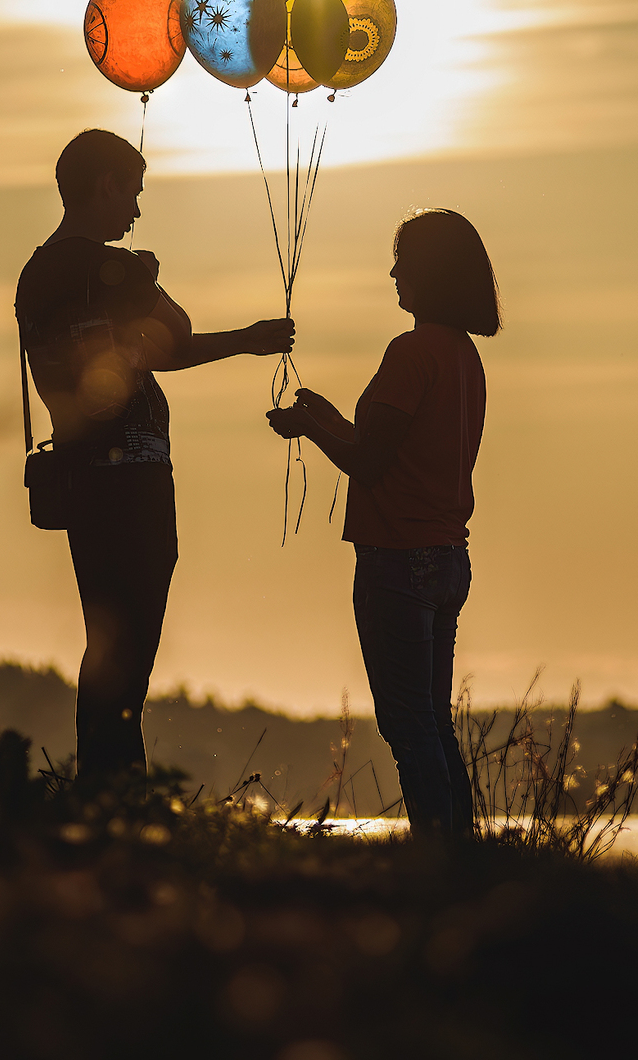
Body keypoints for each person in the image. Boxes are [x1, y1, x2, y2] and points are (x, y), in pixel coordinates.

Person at [17, 129, 294, 781]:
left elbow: (144, 353)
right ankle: (114, 791)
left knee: (109, 644)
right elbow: (179, 334)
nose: (136, 211)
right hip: (132, 481)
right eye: (133, 193)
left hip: (84, 481)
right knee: (131, 650)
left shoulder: (38, 273)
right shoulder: (104, 267)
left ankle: (105, 785)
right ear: (106, 184)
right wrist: (155, 284)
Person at [266, 209, 499, 836]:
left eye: (403, 261)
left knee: (408, 723)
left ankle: (437, 854)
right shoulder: (462, 356)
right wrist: (328, 419)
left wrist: (313, 428)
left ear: (427, 273)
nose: (393, 272)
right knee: (432, 718)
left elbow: (369, 463)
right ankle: (460, 850)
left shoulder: (412, 351)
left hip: (399, 558)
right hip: (447, 555)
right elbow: (392, 450)